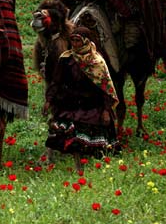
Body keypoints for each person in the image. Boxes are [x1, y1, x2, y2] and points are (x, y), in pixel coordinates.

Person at [43, 26, 119, 169]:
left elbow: (105, 88)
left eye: (78, 41)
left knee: (92, 140)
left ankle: (90, 163)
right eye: (72, 40)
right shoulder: (66, 59)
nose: (75, 44)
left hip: (92, 104)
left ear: (85, 41)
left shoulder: (97, 61)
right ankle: (74, 163)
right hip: (70, 103)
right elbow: (56, 81)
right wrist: (49, 100)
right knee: (69, 136)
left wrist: (106, 109)